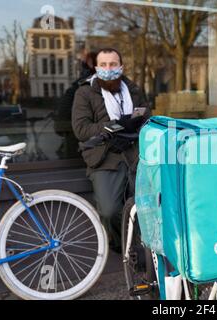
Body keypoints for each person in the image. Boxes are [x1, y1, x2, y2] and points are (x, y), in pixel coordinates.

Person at [72, 48, 150, 253]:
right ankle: (122, 246)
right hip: (104, 157)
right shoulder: (85, 92)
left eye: (113, 64)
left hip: (135, 155)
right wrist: (116, 125)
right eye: (104, 65)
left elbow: (146, 117)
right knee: (109, 210)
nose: (109, 69)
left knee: (144, 206)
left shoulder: (133, 89)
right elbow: (81, 130)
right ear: (97, 68)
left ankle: (145, 249)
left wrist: (135, 124)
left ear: (121, 66)